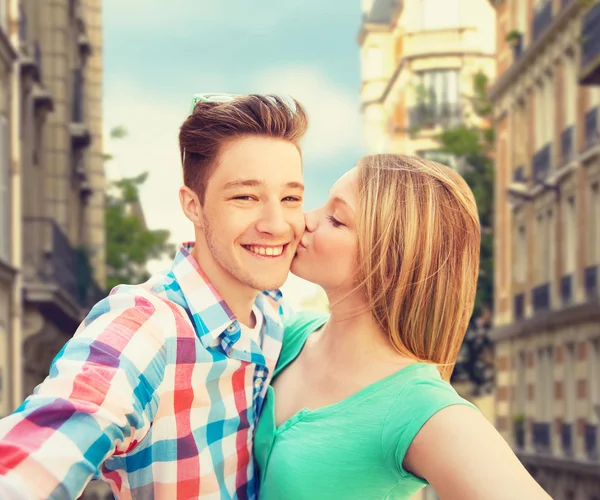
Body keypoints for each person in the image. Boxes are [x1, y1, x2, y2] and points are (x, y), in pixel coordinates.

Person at [0, 94, 308, 500]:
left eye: (291, 198)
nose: (276, 224)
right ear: (193, 206)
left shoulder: (272, 317)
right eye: (245, 197)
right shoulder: (145, 325)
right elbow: (42, 450)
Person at [254, 154, 552, 500]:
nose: (305, 220)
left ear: (392, 263)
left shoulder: (420, 407)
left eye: (336, 219)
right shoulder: (287, 335)